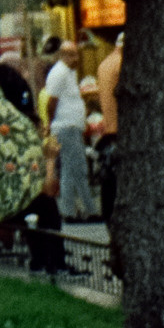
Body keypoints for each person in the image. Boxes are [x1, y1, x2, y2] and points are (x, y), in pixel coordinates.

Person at [40, 40, 93, 220]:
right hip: (66, 127)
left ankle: (78, 209)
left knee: (73, 170)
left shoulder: (69, 73)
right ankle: (75, 210)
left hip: (71, 126)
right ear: (64, 55)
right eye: (73, 54)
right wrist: (51, 121)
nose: (77, 58)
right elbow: (51, 101)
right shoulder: (59, 73)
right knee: (74, 169)